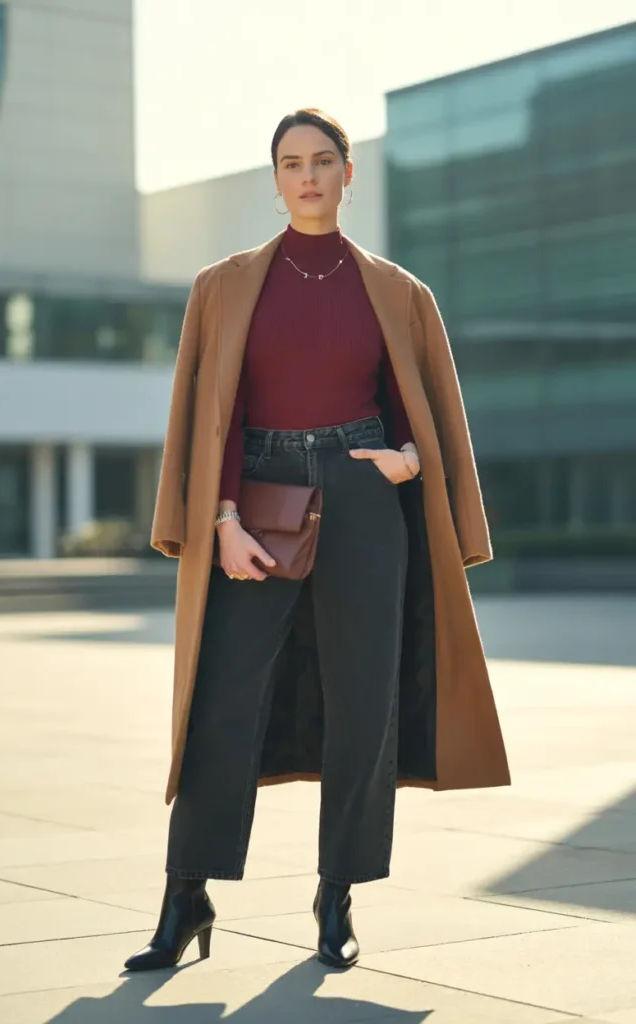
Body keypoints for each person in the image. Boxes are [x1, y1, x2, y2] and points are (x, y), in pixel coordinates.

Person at [124, 108, 510, 974]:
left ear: (347, 175)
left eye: (323, 161)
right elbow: (210, 414)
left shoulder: (398, 290)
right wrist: (220, 518)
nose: (306, 177)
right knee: (220, 700)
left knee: (361, 706)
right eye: (291, 164)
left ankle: (335, 897)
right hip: (255, 497)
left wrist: (408, 458)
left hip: (363, 497)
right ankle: (185, 896)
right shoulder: (222, 286)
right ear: (273, 180)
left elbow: (428, 414)